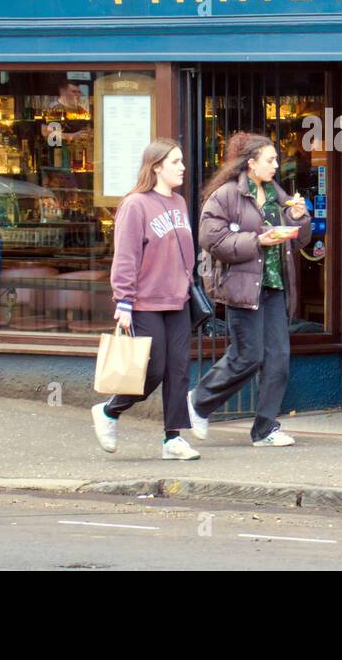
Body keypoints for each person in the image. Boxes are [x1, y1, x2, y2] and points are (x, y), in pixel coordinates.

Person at [187, 133, 312, 447]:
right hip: (243, 288)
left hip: (274, 285)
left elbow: (301, 238)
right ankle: (199, 401)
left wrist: (300, 217)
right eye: (270, 160)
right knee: (248, 356)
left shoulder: (275, 193)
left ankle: (265, 429)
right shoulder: (226, 196)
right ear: (251, 163)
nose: (276, 165)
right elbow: (211, 240)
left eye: (275, 159)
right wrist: (257, 241)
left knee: (279, 358)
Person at [90, 138, 201, 461]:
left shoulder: (179, 203)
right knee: (151, 370)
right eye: (175, 162)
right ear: (156, 167)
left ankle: (173, 439)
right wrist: (123, 301)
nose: (182, 167)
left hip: (177, 300)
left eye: (181, 161)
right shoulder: (135, 204)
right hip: (143, 303)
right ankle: (110, 411)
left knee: (179, 370)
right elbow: (126, 255)